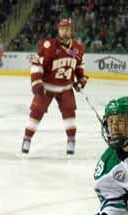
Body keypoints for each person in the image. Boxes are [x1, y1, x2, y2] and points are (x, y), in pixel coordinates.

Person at [22, 18, 88, 155]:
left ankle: (71, 140)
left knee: (70, 113)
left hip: (66, 88)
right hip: (47, 87)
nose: (65, 31)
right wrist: (36, 82)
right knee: (36, 111)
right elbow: (36, 64)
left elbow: (79, 66)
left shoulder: (78, 48)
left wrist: (80, 79)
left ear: (71, 30)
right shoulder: (49, 46)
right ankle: (27, 138)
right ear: (58, 30)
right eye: (63, 29)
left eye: (68, 29)